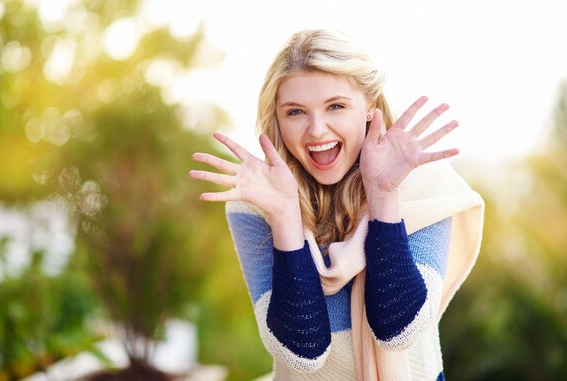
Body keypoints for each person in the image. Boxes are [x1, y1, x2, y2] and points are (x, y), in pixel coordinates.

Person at [189, 29, 484, 381]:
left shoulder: (424, 184)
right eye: (295, 112)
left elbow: (400, 332)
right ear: (277, 120)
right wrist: (284, 216)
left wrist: (384, 195)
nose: (316, 130)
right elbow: (302, 353)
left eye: (336, 106)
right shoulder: (255, 204)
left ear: (369, 108)